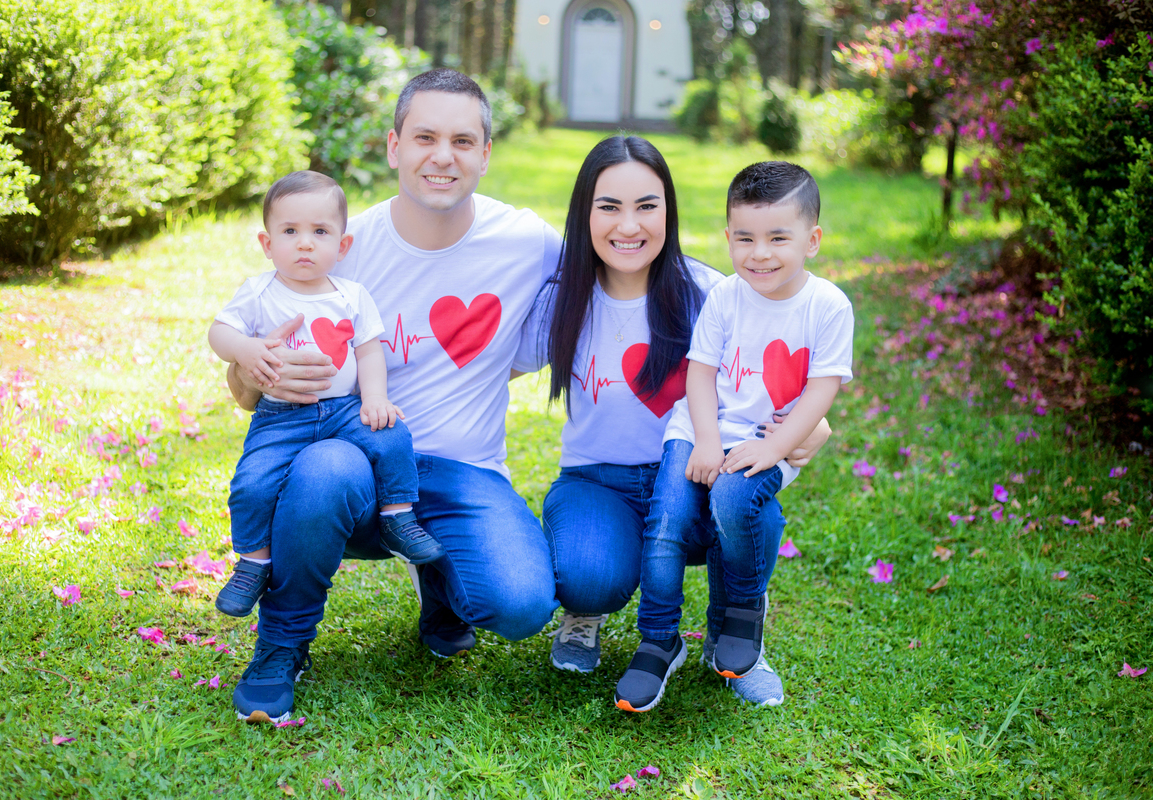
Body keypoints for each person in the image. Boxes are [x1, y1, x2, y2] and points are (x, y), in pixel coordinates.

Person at [222, 70, 563, 724]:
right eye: (425, 136)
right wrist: (261, 373)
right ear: (393, 146)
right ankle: (282, 643)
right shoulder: (339, 246)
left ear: (487, 154)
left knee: (520, 605)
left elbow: (635, 268)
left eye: (463, 140)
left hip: (463, 472)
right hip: (350, 464)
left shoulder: (528, 241)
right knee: (323, 469)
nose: (443, 155)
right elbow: (243, 388)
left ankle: (441, 586)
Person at [513, 138, 831, 709]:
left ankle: (733, 637)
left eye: (647, 205)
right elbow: (478, 370)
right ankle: (586, 611)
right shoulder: (561, 300)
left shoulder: (712, 293)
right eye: (608, 206)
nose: (628, 225)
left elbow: (786, 374)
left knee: (751, 508)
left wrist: (813, 428)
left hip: (693, 474)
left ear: (670, 210)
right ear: (583, 211)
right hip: (597, 482)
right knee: (589, 573)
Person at [613, 161, 854, 713]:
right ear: (727, 237)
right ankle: (658, 640)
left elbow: (822, 390)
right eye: (744, 238)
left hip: (773, 436)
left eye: (777, 238)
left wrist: (773, 448)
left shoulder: (828, 305)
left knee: (733, 498)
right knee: (667, 518)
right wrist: (703, 440)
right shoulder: (725, 296)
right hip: (698, 429)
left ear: (812, 240)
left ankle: (741, 624)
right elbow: (700, 372)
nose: (759, 253)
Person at [208, 171, 443, 620]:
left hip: (343, 410)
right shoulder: (258, 292)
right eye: (290, 231)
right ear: (266, 243)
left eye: (320, 232)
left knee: (392, 434)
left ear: (343, 245)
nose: (304, 243)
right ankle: (253, 563)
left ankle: (397, 517)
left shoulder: (351, 296)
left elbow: (369, 350)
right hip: (280, 416)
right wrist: (247, 350)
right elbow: (219, 332)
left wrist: (374, 397)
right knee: (251, 481)